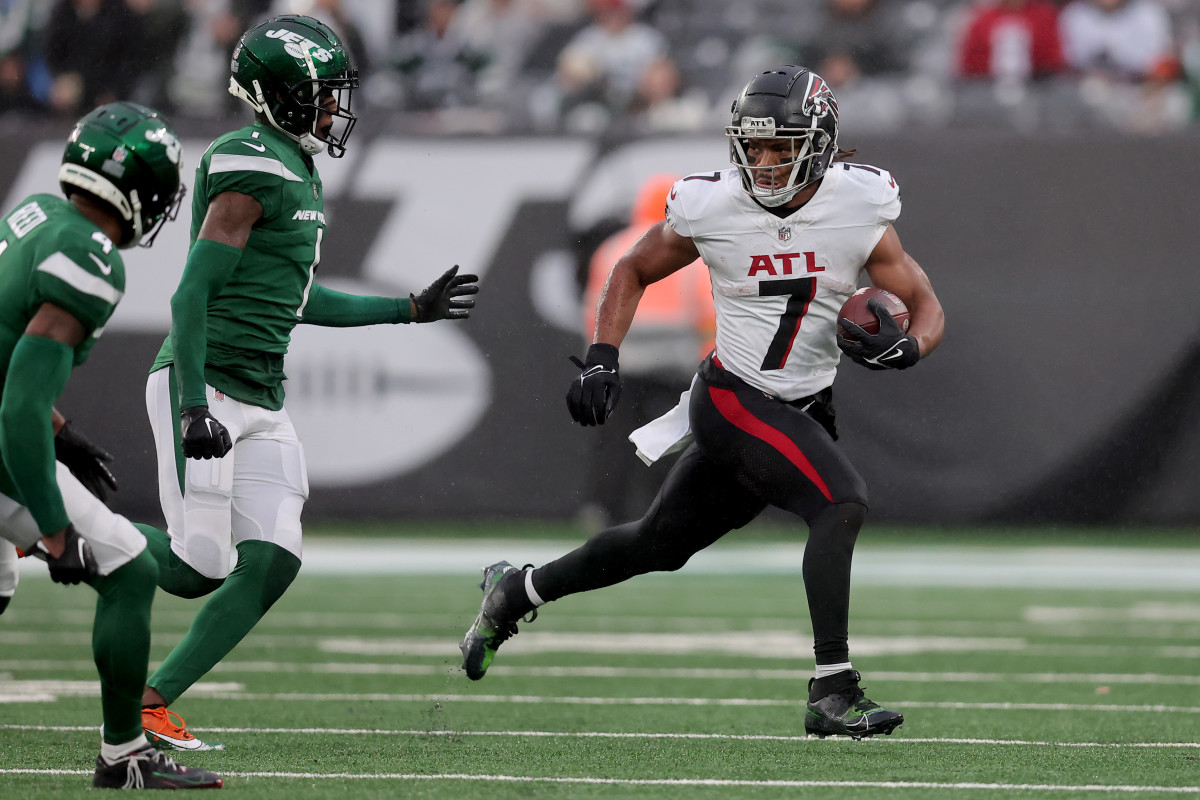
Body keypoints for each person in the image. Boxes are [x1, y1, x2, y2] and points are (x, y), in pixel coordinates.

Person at [462, 65, 945, 740]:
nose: (766, 161)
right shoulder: (712, 205)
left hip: (800, 406)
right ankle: (833, 688)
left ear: (822, 143)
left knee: (656, 544)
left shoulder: (859, 204)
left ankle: (515, 591)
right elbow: (631, 268)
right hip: (734, 399)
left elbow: (924, 304)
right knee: (840, 502)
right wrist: (604, 355)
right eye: (755, 146)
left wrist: (913, 348)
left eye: (783, 146)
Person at [139, 14, 479, 751]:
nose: (334, 108)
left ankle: (152, 701)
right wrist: (194, 404)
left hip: (261, 393)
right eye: (321, 94)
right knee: (195, 568)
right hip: (209, 385)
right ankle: (50, 528)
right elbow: (189, 296)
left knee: (272, 560)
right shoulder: (249, 159)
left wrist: (408, 310)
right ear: (280, 94)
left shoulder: (296, 166)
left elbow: (296, 296)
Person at [0, 101, 221, 789]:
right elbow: (18, 408)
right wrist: (59, 533)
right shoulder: (88, 257)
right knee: (128, 568)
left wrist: (63, 433)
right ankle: (125, 754)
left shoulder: (35, 213)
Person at [578, 172, 713, 526]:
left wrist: (597, 358)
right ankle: (667, 509)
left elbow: (595, 307)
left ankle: (604, 509)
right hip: (675, 361)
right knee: (674, 436)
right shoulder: (690, 252)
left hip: (624, 359)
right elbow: (709, 312)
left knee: (614, 441)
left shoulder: (611, 248)